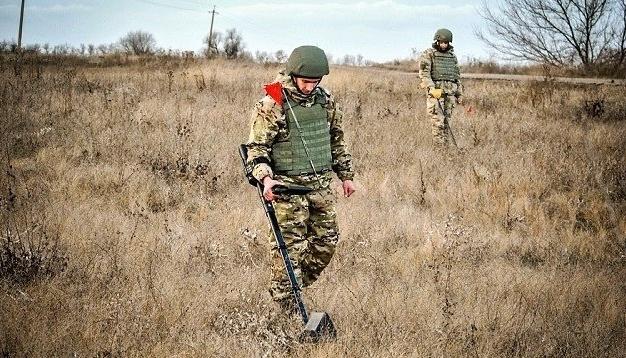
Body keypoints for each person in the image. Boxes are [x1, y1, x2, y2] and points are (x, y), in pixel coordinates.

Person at [245, 45, 355, 313]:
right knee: (287, 253)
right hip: (286, 189)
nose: (310, 87)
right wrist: (266, 179)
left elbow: (336, 139)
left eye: (315, 82)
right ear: (294, 75)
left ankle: (288, 290)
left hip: (320, 188)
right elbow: (257, 149)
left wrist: (346, 176)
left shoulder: (325, 100)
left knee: (326, 244)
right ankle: (288, 309)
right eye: (306, 81)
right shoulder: (272, 103)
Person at [418, 28, 464, 146]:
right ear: (437, 41)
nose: (444, 45)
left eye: (446, 43)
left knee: (447, 122)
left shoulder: (452, 57)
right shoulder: (429, 54)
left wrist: (459, 93)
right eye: (442, 42)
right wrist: (431, 88)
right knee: (438, 121)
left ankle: (446, 147)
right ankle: (439, 149)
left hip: (450, 92)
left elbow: (456, 76)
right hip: (436, 90)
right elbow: (424, 73)